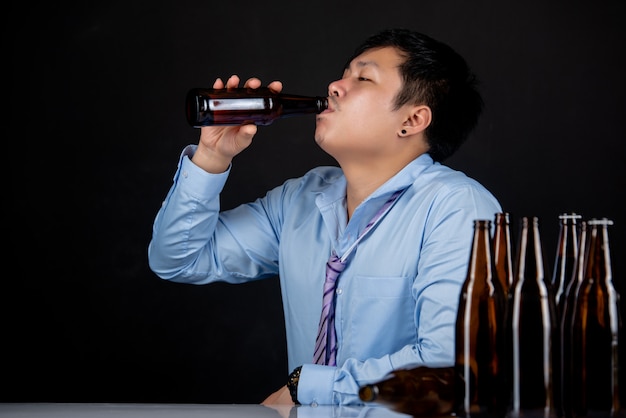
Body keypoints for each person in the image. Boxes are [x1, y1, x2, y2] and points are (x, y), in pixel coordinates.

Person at [148, 28, 502, 407]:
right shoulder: (299, 199)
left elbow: (451, 363)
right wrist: (212, 159)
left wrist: (310, 386)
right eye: (344, 73)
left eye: (363, 78)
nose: (335, 85)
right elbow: (177, 260)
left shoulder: (458, 208)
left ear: (413, 120)